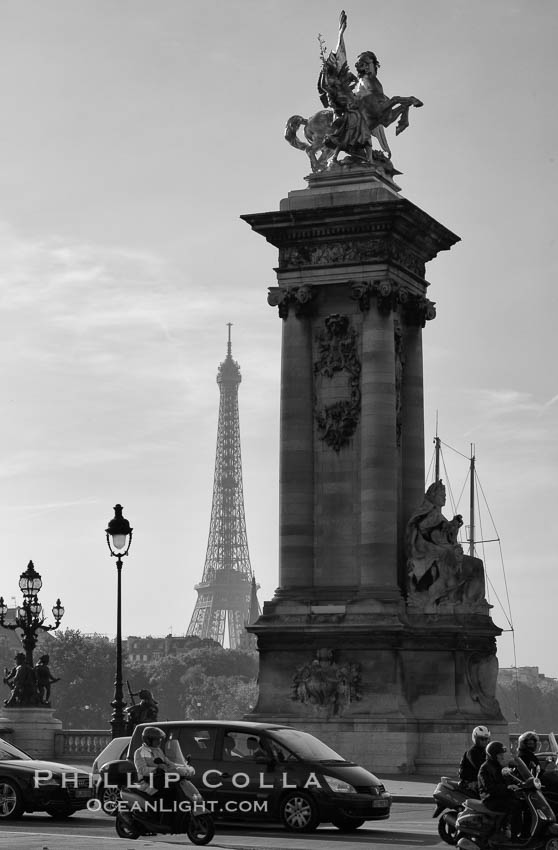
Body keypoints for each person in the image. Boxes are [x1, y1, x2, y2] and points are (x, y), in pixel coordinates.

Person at [133, 726, 194, 823]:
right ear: (149, 740)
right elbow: (142, 770)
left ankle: (174, 816)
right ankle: (161, 819)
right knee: (167, 792)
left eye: (160, 739)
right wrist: (156, 769)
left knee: (177, 788)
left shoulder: (158, 750)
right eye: (157, 739)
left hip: (160, 778)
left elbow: (169, 763)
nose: (159, 741)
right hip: (147, 780)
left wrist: (184, 767)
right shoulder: (139, 752)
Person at [478, 741, 523, 838]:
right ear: (493, 755)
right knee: (515, 806)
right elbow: (489, 788)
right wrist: (507, 787)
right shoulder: (485, 768)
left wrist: (519, 782)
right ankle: (514, 836)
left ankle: (521, 831)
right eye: (499, 754)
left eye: (502, 754)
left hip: (501, 795)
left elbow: (507, 779)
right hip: (490, 799)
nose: (502, 756)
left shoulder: (499, 766)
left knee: (523, 802)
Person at [459, 726, 491, 794]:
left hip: (481, 780)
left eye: (486, 739)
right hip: (470, 783)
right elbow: (480, 767)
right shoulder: (472, 752)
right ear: (475, 738)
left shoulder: (486, 751)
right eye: (482, 739)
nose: (485, 741)